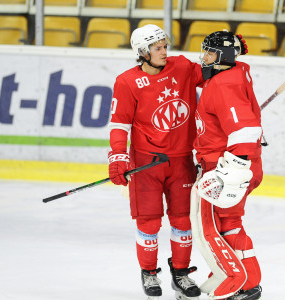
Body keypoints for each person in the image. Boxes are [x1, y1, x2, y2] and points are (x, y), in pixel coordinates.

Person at [107, 24, 205, 300]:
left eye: (165, 45)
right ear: (142, 52)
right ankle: (149, 272)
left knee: (183, 220)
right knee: (148, 221)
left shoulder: (183, 67)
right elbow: (119, 125)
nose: (165, 51)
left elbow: (213, 77)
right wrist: (118, 157)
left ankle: (181, 273)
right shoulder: (126, 81)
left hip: (182, 160)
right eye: (157, 47)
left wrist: (229, 59)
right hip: (146, 163)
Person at [190, 30, 263, 300]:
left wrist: (231, 172)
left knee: (212, 227)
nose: (204, 57)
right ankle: (247, 279)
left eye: (210, 52)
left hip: (227, 168)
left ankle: (235, 278)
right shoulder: (232, 74)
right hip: (235, 163)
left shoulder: (224, 85)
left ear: (224, 56)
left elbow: (245, 130)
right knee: (230, 224)